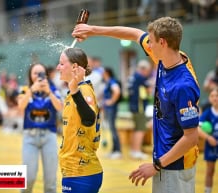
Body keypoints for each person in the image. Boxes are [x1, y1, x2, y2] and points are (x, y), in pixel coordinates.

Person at [72, 16, 200, 193]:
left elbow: (192, 137)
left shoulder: (182, 85)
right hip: (167, 163)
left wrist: (156, 165)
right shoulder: (165, 58)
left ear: (162, 42)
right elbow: (134, 34)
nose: (148, 45)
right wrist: (92, 30)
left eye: (152, 41)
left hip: (175, 166)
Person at [56, 48, 103, 193]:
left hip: (81, 173)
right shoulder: (74, 91)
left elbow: (89, 119)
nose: (58, 67)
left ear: (74, 67)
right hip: (73, 171)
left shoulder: (82, 91)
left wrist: (74, 90)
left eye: (62, 64)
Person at [17, 63, 62, 193]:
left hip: (49, 136)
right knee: (28, 178)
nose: (38, 76)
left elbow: (60, 107)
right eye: (35, 73)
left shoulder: (53, 88)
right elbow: (20, 106)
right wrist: (31, 90)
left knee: (50, 182)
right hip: (29, 138)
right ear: (30, 76)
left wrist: (49, 93)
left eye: (41, 73)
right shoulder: (24, 89)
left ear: (46, 75)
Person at [128, 59, 153, 160]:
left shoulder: (133, 77)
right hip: (140, 107)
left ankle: (134, 150)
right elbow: (149, 90)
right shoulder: (141, 77)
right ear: (143, 69)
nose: (148, 73)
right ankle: (137, 151)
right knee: (141, 129)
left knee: (136, 129)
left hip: (133, 106)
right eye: (147, 71)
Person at [198, 87, 218, 193]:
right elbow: (198, 128)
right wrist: (208, 138)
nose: (215, 98)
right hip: (211, 146)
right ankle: (207, 191)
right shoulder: (207, 112)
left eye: (217, 96)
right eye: (212, 96)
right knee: (210, 171)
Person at [102, 67, 122, 159]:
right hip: (108, 109)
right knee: (111, 128)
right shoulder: (107, 82)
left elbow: (117, 91)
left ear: (107, 72)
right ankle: (114, 150)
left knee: (113, 129)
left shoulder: (112, 81)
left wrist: (111, 101)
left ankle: (118, 151)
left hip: (112, 109)